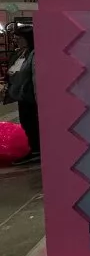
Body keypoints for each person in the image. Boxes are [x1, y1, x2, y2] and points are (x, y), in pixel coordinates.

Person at [6, 26, 39, 165]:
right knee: (26, 122)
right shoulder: (21, 53)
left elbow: (34, 76)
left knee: (32, 123)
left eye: (19, 38)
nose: (17, 41)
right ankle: (34, 148)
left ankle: (37, 150)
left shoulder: (35, 54)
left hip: (29, 96)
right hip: (21, 95)